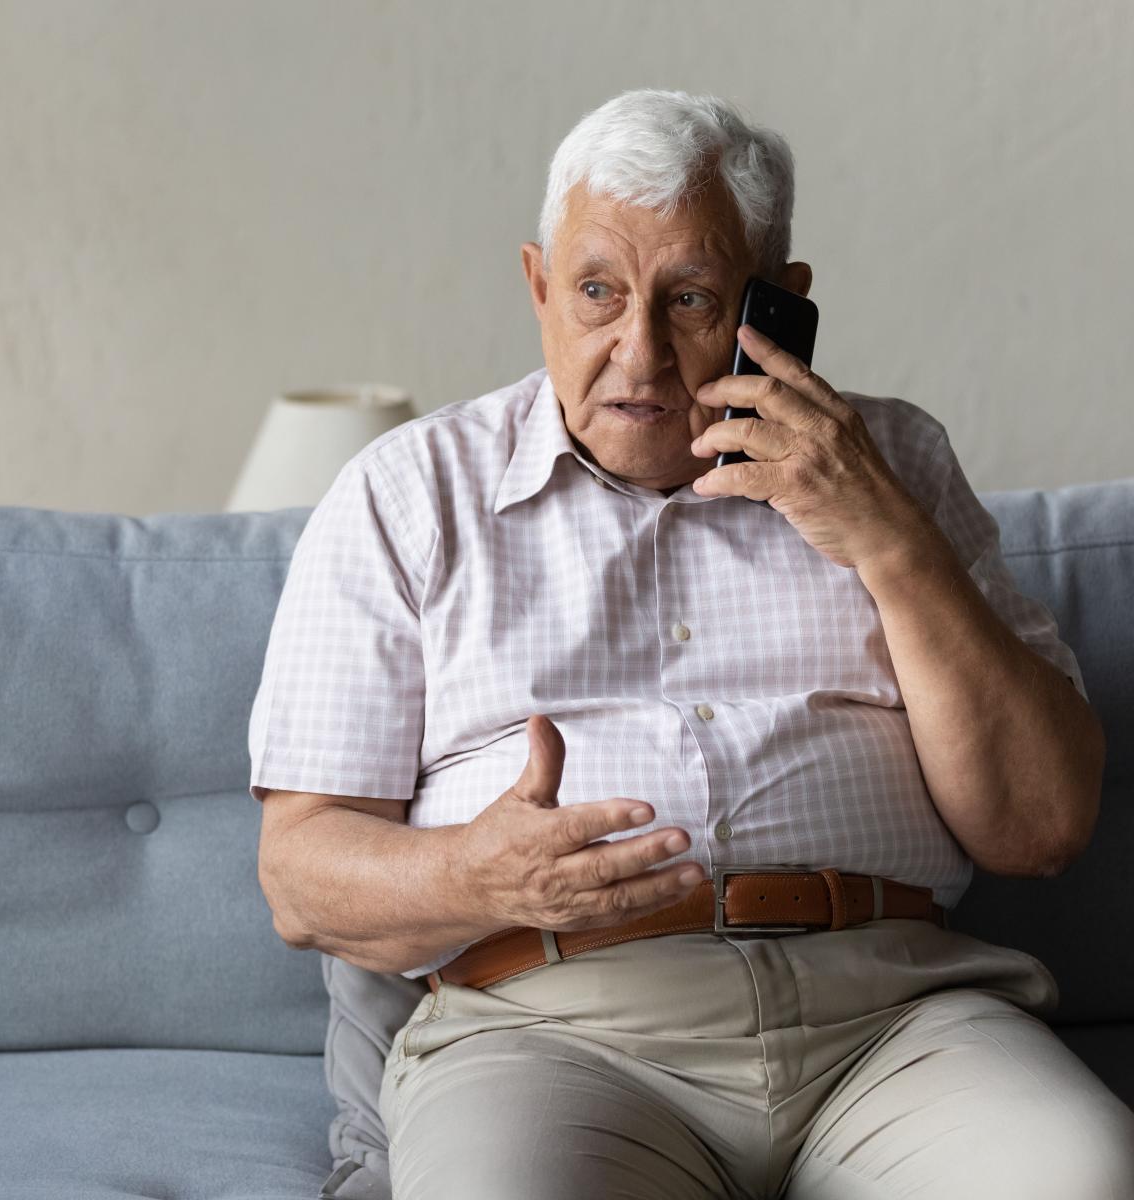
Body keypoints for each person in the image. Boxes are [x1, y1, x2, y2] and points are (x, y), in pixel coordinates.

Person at [247, 88, 1134, 1199]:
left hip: (896, 1021)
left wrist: (892, 546)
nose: (641, 352)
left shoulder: (896, 462)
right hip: (556, 1031)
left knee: (1085, 1177)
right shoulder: (407, 493)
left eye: (694, 299)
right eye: (598, 292)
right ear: (538, 288)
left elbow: (1043, 827)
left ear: (782, 302)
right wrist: (474, 872)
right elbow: (300, 877)